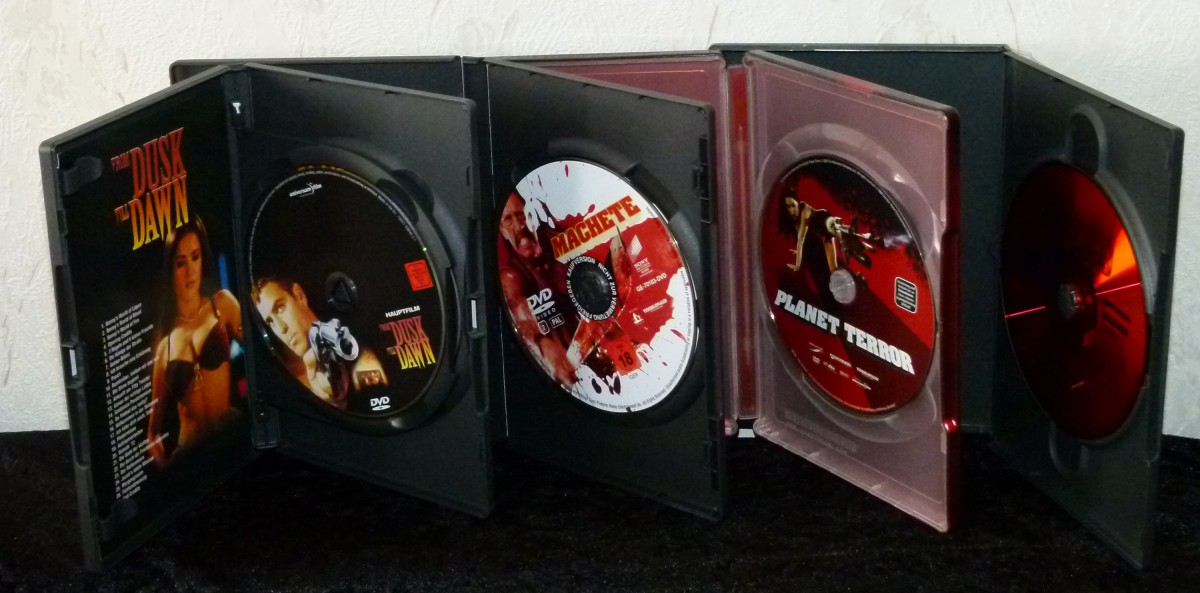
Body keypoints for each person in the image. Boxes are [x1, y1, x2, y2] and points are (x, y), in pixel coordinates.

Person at [147, 218, 242, 468]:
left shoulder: (223, 305)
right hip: (189, 454)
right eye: (181, 263)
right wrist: (168, 472)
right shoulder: (165, 348)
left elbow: (259, 352)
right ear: (170, 270)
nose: (190, 271)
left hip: (229, 436)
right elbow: (152, 433)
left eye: (195, 257)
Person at [498, 192, 607, 387]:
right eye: (508, 219)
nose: (519, 225)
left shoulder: (559, 239)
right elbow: (520, 312)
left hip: (607, 346)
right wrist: (542, 343)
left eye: (521, 215)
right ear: (502, 230)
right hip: (574, 375)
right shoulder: (511, 275)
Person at [251, 276, 359, 408]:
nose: (281, 328)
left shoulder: (353, 340)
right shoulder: (288, 388)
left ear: (299, 295)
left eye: (280, 308)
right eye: (270, 322)